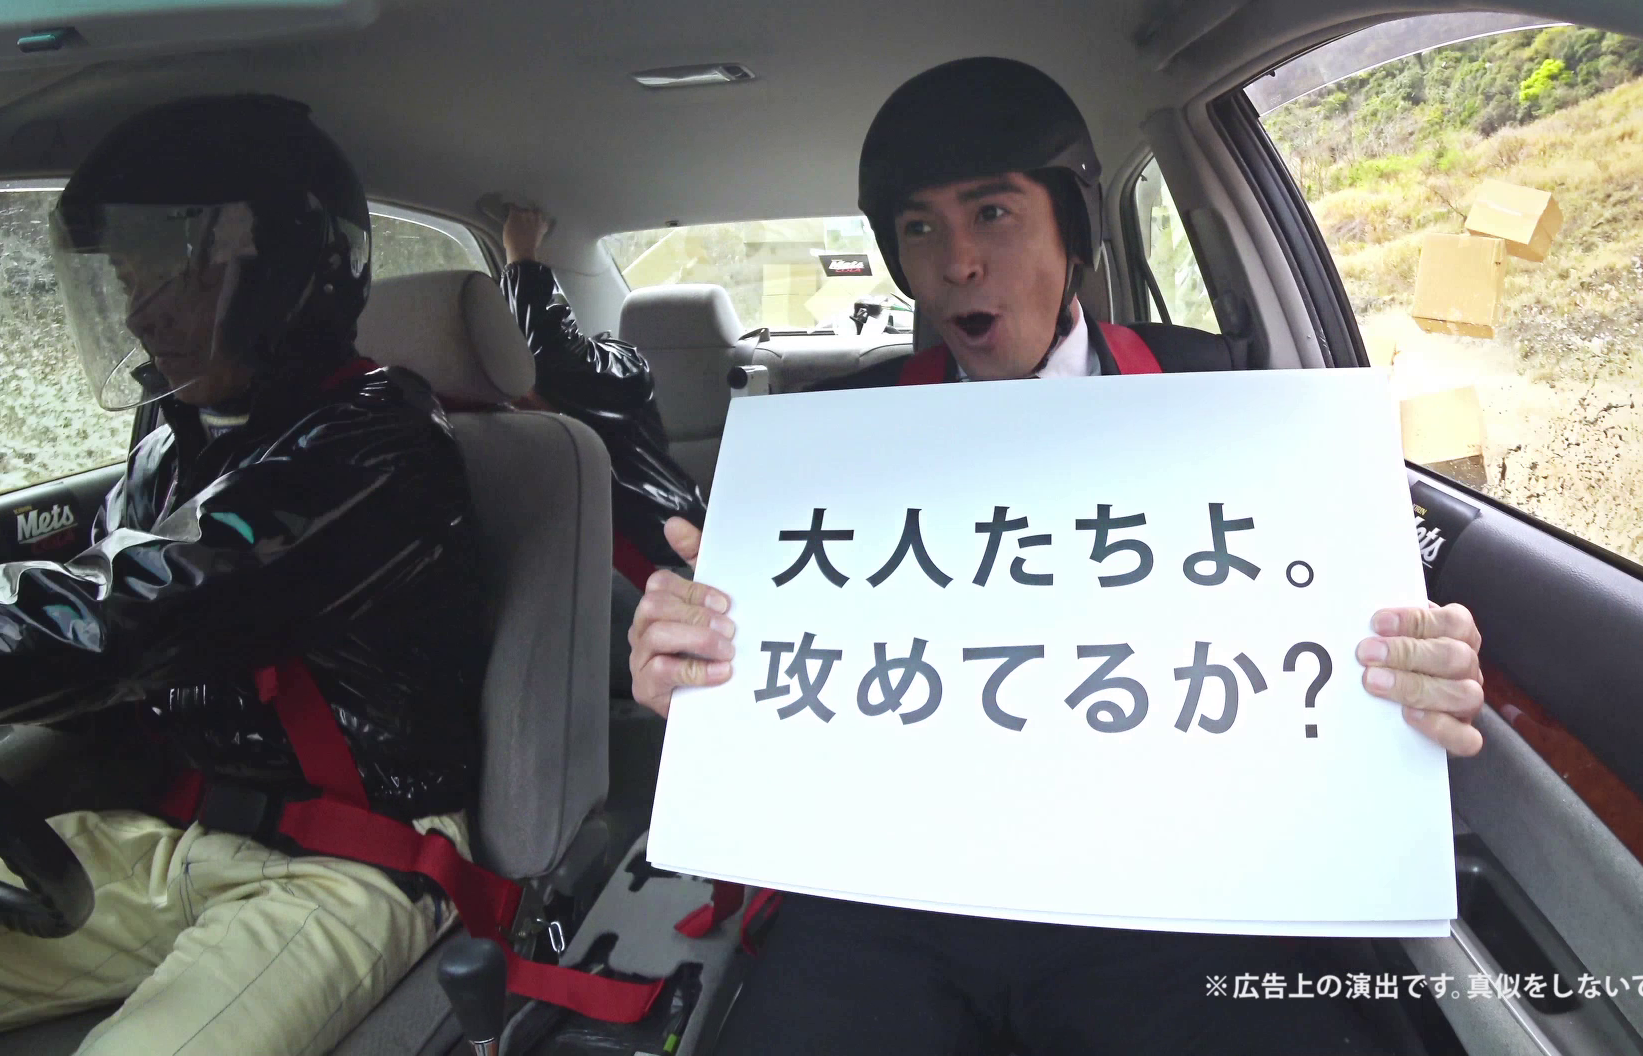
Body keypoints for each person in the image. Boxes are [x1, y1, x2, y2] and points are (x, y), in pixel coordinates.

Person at [629, 58, 1486, 1055]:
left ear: (1073, 228)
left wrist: (1412, 667)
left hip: (1169, 886)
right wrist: (692, 669)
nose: (957, 263)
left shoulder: (1225, 399)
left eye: (993, 213)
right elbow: (765, 686)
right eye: (920, 228)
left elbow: (1321, 631)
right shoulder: (827, 438)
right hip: (890, 891)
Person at [0, 95, 488, 1055]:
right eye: (125, 279)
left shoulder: (381, 442)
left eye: (168, 274)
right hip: (172, 834)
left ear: (283, 272)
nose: (139, 312)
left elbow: (146, 607)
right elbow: (97, 647)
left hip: (347, 857)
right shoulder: (170, 443)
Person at [498, 206, 707, 580]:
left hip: (664, 559)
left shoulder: (619, 369)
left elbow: (551, 354)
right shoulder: (463, 417)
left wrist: (522, 258)